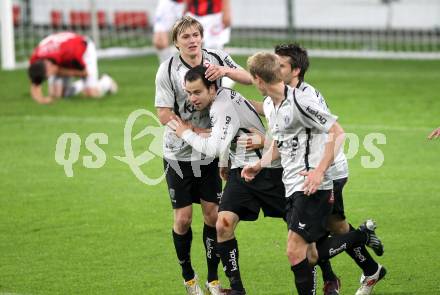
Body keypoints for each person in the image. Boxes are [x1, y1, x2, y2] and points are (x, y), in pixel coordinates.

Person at [242, 52, 384, 295]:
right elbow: (280, 142)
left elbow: (338, 133)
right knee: (310, 254)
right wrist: (260, 164)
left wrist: (319, 171)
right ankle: (360, 236)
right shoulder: (270, 104)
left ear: (258, 79)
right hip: (292, 185)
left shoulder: (301, 102)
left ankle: (359, 239)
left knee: (294, 250)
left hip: (313, 186)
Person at [168, 65, 286, 295]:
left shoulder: (222, 106)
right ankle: (237, 289)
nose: (192, 99)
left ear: (212, 88)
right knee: (223, 224)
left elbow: (212, 147)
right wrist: (225, 162)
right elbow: (227, 134)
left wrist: (185, 133)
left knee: (305, 231)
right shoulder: (221, 99)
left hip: (268, 170)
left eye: (197, 92)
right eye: (189, 93)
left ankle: (349, 254)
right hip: (241, 172)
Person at [154, 16, 252, 295]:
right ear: (176, 42)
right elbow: (162, 113)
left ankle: (213, 280)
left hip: (210, 153)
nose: (193, 40)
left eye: (196, 34)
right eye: (186, 37)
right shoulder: (168, 70)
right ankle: (188, 277)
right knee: (183, 219)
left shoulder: (216, 57)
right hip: (178, 154)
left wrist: (225, 71)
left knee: (212, 215)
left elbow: (248, 78)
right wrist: (190, 130)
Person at [28, 32, 117, 104]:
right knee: (56, 95)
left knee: (91, 93)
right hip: (60, 52)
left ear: (48, 67)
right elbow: (35, 82)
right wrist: (42, 100)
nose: (48, 77)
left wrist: (59, 71)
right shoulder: (35, 59)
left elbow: (84, 73)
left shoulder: (71, 55)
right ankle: (79, 86)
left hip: (84, 50)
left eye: (47, 76)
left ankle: (107, 81)